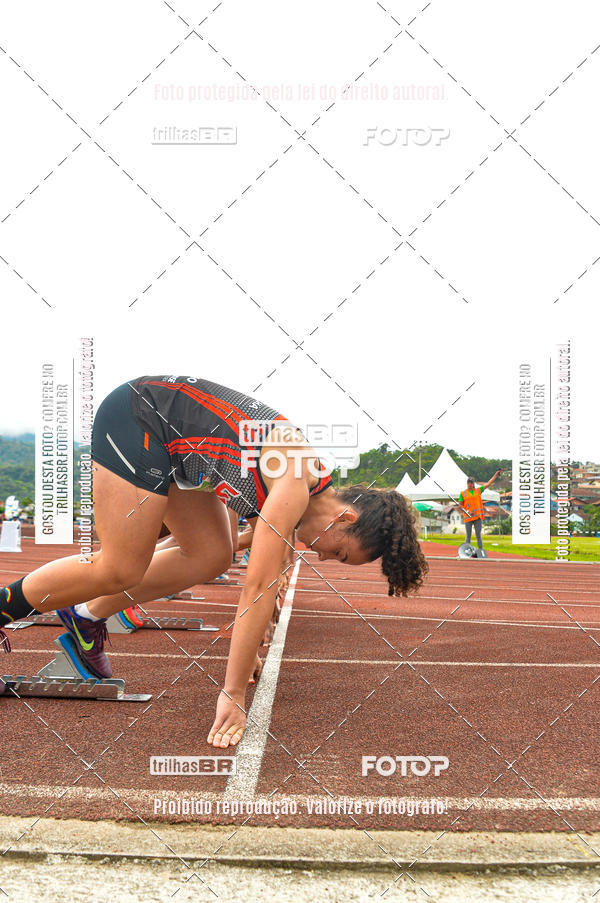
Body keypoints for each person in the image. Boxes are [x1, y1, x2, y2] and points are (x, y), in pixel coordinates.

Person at [0, 375, 428, 748]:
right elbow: (256, 588)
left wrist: (252, 648)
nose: (323, 556)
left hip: (178, 452)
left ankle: (85, 614)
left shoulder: (300, 488)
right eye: (339, 552)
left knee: (210, 555)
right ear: (345, 517)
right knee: (119, 566)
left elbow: (260, 556)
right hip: (140, 415)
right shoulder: (295, 481)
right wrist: (233, 692)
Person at [458, 471, 502, 552]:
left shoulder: (478, 490)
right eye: (469, 483)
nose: (470, 484)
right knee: (468, 536)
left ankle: (480, 550)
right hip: (468, 517)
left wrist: (495, 475)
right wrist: (467, 511)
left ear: (473, 483)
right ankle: (467, 551)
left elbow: (488, 483)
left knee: (478, 535)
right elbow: (460, 505)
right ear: (467, 483)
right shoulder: (463, 493)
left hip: (477, 517)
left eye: (471, 483)